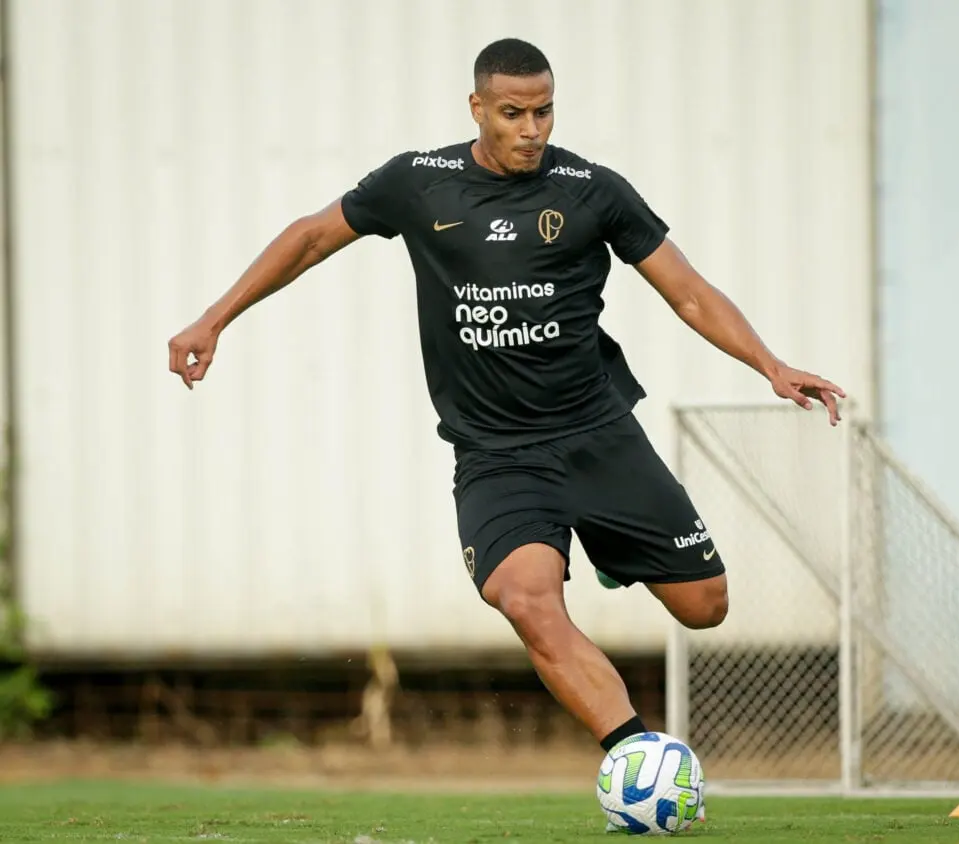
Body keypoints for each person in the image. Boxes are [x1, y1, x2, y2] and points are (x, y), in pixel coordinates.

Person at [168, 38, 844, 758]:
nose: (531, 129)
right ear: (478, 108)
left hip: (599, 437)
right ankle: (638, 758)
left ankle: (610, 543)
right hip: (497, 455)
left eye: (544, 112)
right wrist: (214, 318)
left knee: (705, 606)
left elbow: (689, 292)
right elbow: (308, 239)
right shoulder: (418, 183)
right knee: (526, 600)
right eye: (513, 113)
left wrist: (769, 364)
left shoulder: (592, 190)